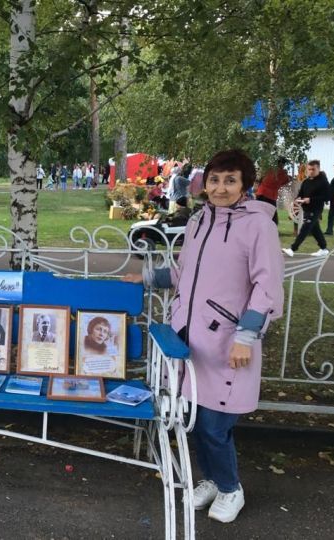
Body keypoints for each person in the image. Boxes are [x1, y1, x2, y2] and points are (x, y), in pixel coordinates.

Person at [123, 149, 284, 524]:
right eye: (215, 179)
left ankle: (231, 488)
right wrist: (146, 278)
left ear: (245, 185)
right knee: (192, 417)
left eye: (231, 180)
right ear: (205, 182)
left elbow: (267, 286)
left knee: (216, 424)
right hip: (188, 339)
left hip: (228, 341)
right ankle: (211, 480)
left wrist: (246, 336)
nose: (221, 188)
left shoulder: (258, 227)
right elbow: (185, 274)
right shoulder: (198, 221)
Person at [282, 159, 330, 257]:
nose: (311, 171)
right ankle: (324, 248)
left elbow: (327, 197)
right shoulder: (306, 181)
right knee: (315, 229)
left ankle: (292, 249)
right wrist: (297, 199)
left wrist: (311, 199)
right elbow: (301, 194)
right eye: (309, 169)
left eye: (313, 169)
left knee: (305, 228)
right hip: (306, 209)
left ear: (318, 169)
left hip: (316, 209)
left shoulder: (323, 182)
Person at [255, 158, 291, 224]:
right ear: (282, 164)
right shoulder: (282, 173)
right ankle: (272, 229)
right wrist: (289, 177)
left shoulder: (269, 169)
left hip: (260, 192)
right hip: (270, 195)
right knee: (272, 215)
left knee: (259, 213)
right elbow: (285, 181)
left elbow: (261, 179)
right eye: (283, 164)